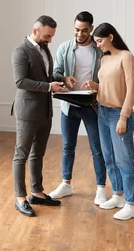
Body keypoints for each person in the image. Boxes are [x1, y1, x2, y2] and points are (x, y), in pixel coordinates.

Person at [47, 11, 107, 205]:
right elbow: (54, 73)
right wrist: (65, 78)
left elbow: (108, 77)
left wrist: (98, 89)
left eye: (84, 30)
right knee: (67, 146)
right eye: (76, 30)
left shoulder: (100, 51)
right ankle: (66, 184)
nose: (79, 34)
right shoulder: (65, 48)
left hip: (92, 105)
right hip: (69, 105)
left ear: (91, 28)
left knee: (97, 148)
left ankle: (100, 189)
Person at [11, 15, 68, 217]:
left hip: (45, 111)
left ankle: (37, 192)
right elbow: (20, 82)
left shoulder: (44, 49)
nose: (50, 40)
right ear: (35, 31)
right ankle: (20, 198)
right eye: (47, 36)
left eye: (52, 36)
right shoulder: (20, 51)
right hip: (27, 112)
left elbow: (44, 76)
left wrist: (61, 79)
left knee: (38, 154)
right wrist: (48, 87)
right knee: (21, 155)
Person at [82, 22, 134, 220]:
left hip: (118, 113)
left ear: (111, 37)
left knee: (124, 160)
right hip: (102, 112)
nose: (98, 45)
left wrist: (124, 117)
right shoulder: (105, 59)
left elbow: (131, 91)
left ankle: (132, 205)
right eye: (96, 42)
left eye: (100, 41)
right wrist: (95, 86)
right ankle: (118, 195)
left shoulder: (127, 57)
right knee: (109, 157)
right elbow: (108, 86)